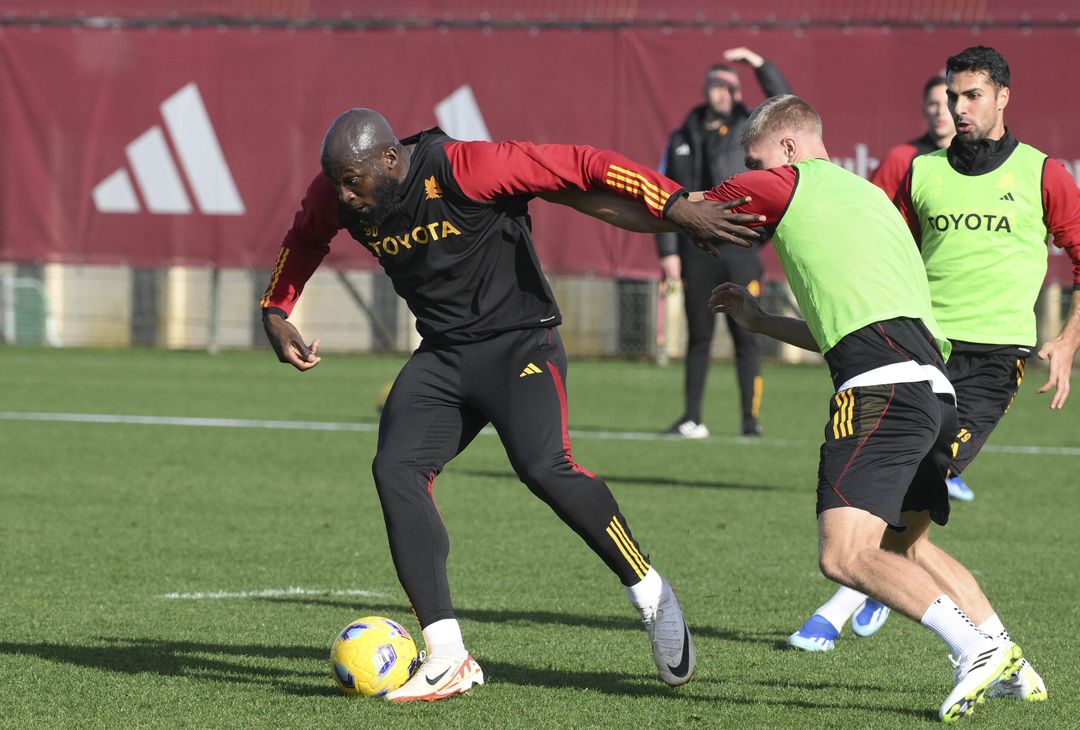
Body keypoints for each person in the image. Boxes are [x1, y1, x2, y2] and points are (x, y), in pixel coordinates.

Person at [259, 109, 763, 702]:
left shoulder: (464, 166)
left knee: (543, 467)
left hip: (521, 344)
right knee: (395, 469)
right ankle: (448, 656)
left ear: (390, 160)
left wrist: (674, 203)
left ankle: (650, 591)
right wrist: (276, 309)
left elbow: (584, 164)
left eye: (353, 182)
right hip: (444, 355)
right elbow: (304, 239)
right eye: (337, 183)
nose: (344, 195)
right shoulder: (337, 190)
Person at [702, 94, 1034, 722]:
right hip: (933, 393)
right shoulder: (870, 201)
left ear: (789, 148)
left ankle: (975, 651)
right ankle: (1012, 662)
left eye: (757, 161)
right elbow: (846, 328)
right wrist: (761, 321)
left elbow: (701, 207)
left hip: (882, 394)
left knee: (844, 554)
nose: (753, 174)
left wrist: (627, 195)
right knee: (908, 547)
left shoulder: (795, 184)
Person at [789, 46, 1080, 667]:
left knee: (906, 510)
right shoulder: (919, 171)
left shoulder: (1042, 173)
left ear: (1003, 96)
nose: (959, 108)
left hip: (992, 365)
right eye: (953, 96)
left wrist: (1068, 338)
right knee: (900, 515)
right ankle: (1006, 662)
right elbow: (877, 247)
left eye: (973, 95)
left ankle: (846, 604)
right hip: (919, 355)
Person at [658, 47, 792, 438]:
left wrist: (759, 64)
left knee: (746, 334)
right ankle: (691, 418)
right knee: (698, 337)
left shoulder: (749, 129)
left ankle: (750, 421)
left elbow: (785, 103)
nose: (726, 92)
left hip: (740, 247)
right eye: (719, 85)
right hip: (697, 248)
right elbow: (663, 193)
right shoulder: (683, 134)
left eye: (732, 86)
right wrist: (668, 252)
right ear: (706, 89)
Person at [870, 75, 956, 204]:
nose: (940, 111)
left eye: (947, 103)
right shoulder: (899, 158)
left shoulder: (977, 156)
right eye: (933, 104)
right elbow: (875, 207)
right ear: (924, 110)